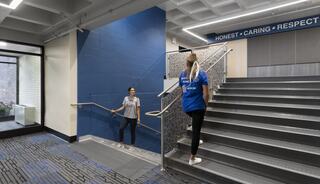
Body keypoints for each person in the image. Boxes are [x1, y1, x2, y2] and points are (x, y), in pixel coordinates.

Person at [179, 53, 209, 165]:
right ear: (197, 62)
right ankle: (192, 158)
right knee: (196, 131)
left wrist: (187, 100)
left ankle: (197, 141)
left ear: (187, 63)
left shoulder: (182, 74)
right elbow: (206, 94)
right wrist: (205, 105)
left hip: (186, 107)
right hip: (198, 106)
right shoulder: (201, 74)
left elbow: (183, 91)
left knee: (195, 124)